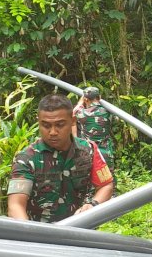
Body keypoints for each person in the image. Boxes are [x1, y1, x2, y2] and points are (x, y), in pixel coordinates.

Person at [8, 94, 114, 223]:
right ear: (38, 122)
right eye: (46, 125)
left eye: (60, 125)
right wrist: (28, 233)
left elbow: (106, 185)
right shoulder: (26, 158)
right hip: (40, 233)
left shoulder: (89, 150)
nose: (52, 132)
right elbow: (16, 205)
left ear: (73, 121)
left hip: (80, 228)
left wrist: (93, 204)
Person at [72, 87, 116, 170]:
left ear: (86, 99)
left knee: (88, 178)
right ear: (99, 97)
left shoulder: (83, 113)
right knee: (108, 178)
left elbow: (73, 113)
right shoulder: (108, 112)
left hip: (88, 152)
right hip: (106, 152)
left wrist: (81, 101)